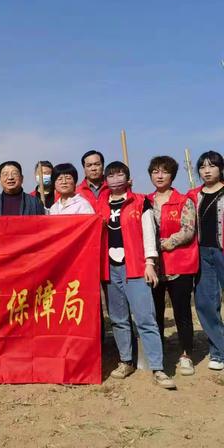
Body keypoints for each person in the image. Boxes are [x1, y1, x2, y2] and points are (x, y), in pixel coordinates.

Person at [99, 161, 176, 389]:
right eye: (110, 175)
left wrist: (150, 262)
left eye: (119, 174)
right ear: (106, 180)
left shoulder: (140, 202)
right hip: (109, 269)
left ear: (128, 177)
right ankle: (126, 361)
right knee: (119, 319)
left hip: (135, 265)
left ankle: (157, 367)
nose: (115, 178)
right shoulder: (100, 204)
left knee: (145, 318)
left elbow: (149, 233)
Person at [147, 156, 197, 376]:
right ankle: (158, 353)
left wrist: (166, 243)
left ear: (172, 175)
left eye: (164, 172)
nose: (159, 175)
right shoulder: (145, 201)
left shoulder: (183, 200)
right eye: (155, 171)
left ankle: (186, 354)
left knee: (182, 311)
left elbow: (188, 229)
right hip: (154, 266)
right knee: (155, 312)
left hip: (180, 263)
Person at [190, 151, 224, 371]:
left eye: (212, 166)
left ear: (220, 168)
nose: (207, 170)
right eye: (202, 167)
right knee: (205, 302)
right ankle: (219, 351)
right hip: (203, 252)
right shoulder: (194, 195)